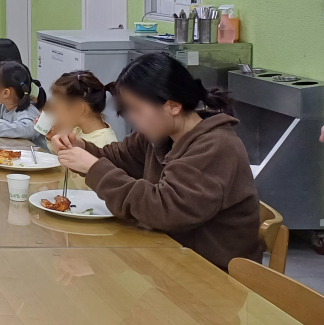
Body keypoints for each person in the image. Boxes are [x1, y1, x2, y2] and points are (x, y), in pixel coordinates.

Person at [52, 52, 262, 270]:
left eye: (137, 109)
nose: (132, 118)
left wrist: (94, 167)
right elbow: (117, 158)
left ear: (173, 106)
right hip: (169, 258)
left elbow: (165, 210)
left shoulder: (216, 146)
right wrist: (82, 147)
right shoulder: (160, 134)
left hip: (212, 272)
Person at [45, 70, 117, 148]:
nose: (53, 114)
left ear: (77, 109)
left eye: (55, 108)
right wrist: (52, 137)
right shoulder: (78, 130)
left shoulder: (104, 144)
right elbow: (63, 153)